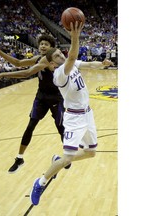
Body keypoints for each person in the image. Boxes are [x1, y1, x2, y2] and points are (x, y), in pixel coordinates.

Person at [30, 22, 113, 206]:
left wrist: (102, 64)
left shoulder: (71, 63)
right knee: (69, 158)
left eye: (61, 53)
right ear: (51, 64)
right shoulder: (59, 74)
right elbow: (73, 55)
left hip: (87, 114)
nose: (61, 55)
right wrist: (75, 35)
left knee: (91, 152)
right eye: (57, 56)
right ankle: (40, 182)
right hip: (74, 118)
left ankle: (58, 161)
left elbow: (89, 63)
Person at [0, 35, 70, 173]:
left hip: (56, 98)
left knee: (61, 128)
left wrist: (3, 75)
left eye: (46, 44)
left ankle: (67, 157)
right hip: (42, 96)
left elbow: (26, 73)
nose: (43, 46)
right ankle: (19, 158)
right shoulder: (38, 58)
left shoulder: (48, 60)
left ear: (52, 48)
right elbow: (18, 63)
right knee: (30, 125)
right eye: (41, 44)